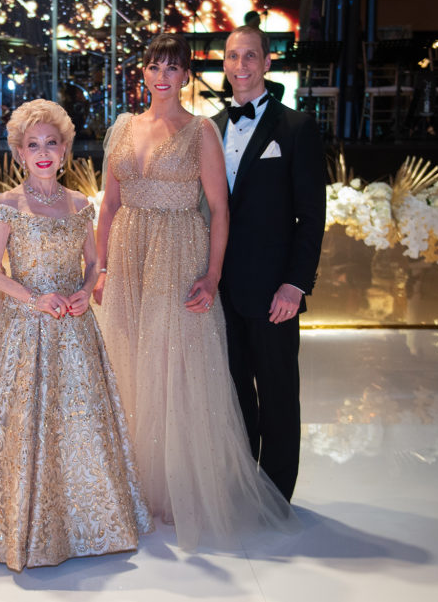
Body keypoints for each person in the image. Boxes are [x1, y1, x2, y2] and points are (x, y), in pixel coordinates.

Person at [93, 33, 295, 551]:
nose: (162, 75)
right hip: (129, 254)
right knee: (130, 364)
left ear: (186, 75)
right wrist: (100, 267)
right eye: (154, 65)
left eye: (173, 67)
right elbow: (110, 205)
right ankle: (135, 482)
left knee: (173, 368)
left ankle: (174, 487)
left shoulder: (201, 131)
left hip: (179, 253)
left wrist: (212, 274)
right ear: (143, 72)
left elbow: (220, 210)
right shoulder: (122, 127)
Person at [0, 100, 152, 572]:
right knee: (28, 423)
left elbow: (93, 264)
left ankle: (87, 523)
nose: (43, 152)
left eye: (52, 143)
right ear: (19, 153)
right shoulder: (6, 205)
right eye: (33, 145)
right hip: (26, 331)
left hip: (74, 330)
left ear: (65, 150)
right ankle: (27, 523)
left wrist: (87, 291)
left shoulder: (79, 204)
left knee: (79, 422)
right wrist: (31, 298)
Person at [214, 26, 326, 502]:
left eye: (250, 57)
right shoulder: (209, 128)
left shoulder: (296, 128)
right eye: (233, 57)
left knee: (278, 393)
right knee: (235, 395)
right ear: (224, 64)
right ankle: (242, 488)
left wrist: (295, 285)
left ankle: (277, 496)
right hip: (220, 289)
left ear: (266, 63)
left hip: (273, 290)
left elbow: (312, 215)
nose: (242, 66)